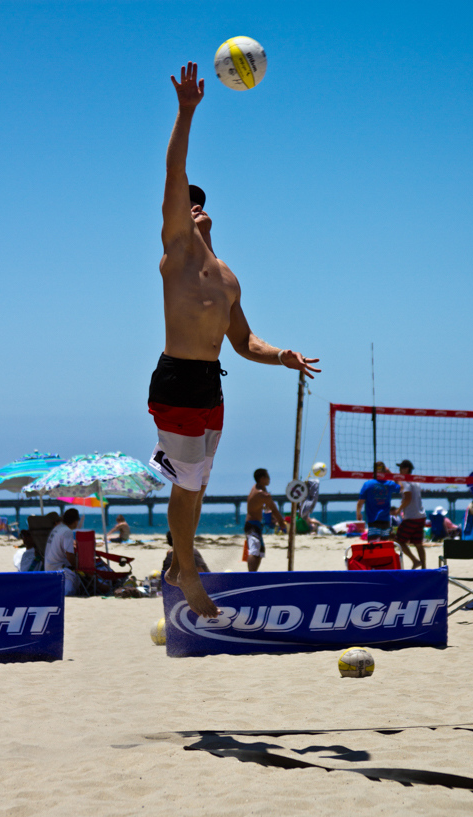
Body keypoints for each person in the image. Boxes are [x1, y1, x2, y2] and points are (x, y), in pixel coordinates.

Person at [147, 61, 320, 618]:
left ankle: (180, 561)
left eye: (200, 200)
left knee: (197, 485)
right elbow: (175, 170)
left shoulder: (227, 277)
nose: (193, 204)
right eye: (186, 201)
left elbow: (244, 342)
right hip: (177, 377)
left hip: (210, 384)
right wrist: (186, 112)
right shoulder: (177, 250)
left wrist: (282, 356)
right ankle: (186, 569)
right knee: (186, 486)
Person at [245, 469, 286, 572]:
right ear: (262, 478)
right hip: (252, 525)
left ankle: (254, 574)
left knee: (260, 551)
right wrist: (282, 523)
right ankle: (251, 575)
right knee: (255, 551)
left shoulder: (256, 487)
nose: (269, 479)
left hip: (254, 524)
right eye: (267, 476)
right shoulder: (262, 495)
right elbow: (274, 509)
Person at [356, 462, 401, 541]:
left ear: (374, 471)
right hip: (386, 520)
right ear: (385, 471)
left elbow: (360, 503)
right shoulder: (389, 484)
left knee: (373, 546)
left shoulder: (368, 484)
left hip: (373, 520)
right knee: (383, 545)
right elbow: (401, 487)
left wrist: (358, 514)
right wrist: (390, 474)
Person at [394, 459, 426, 569]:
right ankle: (424, 567)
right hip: (421, 516)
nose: (399, 470)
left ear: (406, 469)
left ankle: (415, 561)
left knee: (398, 540)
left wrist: (399, 510)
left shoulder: (405, 481)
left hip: (411, 517)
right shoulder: (416, 481)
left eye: (401, 468)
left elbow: (408, 498)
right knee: (418, 543)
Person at [44, 507, 80, 596]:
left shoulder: (57, 528)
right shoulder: (67, 531)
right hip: (58, 569)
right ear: (75, 521)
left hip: (48, 567)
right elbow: (70, 556)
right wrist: (79, 566)